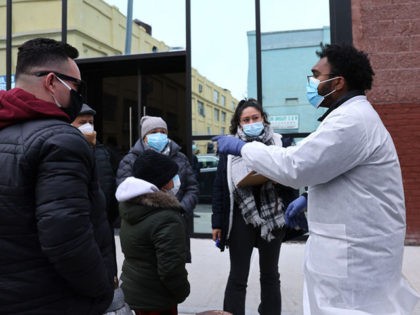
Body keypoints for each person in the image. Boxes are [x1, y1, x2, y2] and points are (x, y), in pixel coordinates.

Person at [213, 44, 420, 314]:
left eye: (316, 75)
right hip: (348, 256)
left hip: (355, 265)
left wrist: (242, 148)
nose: (312, 83)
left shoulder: (351, 121)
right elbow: (338, 172)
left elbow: (296, 165)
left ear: (339, 82)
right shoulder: (349, 118)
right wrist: (310, 198)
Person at [0, 38, 114, 314]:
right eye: (76, 86)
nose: (78, 96)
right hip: (54, 298)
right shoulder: (61, 140)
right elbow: (67, 238)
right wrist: (102, 288)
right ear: (52, 82)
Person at [212, 98, 304, 315]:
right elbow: (219, 188)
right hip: (241, 217)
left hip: (273, 217)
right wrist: (217, 222)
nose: (251, 122)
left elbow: (293, 177)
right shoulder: (229, 147)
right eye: (246, 119)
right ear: (239, 124)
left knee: (270, 275)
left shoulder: (280, 143)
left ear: (263, 119)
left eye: (255, 117)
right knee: (238, 276)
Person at [116, 150, 190, 315]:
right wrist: (182, 291)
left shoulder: (131, 207)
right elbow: (171, 268)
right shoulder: (167, 217)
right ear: (163, 183)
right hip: (157, 301)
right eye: (173, 176)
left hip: (132, 292)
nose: (176, 180)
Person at [116, 115, 199, 262]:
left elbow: (192, 188)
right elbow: (125, 192)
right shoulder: (130, 160)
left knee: (174, 264)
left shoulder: (180, 158)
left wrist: (180, 208)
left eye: (163, 132)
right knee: (147, 270)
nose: (159, 135)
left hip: (175, 224)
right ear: (144, 137)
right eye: (154, 132)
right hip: (144, 229)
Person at [72, 103, 119, 228]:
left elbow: (110, 186)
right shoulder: (65, 151)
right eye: (82, 122)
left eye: (91, 122)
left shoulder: (102, 152)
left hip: (102, 222)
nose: (88, 126)